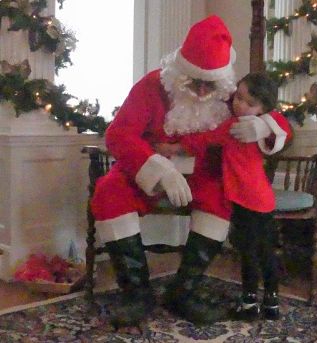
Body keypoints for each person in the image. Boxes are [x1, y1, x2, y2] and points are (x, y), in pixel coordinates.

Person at [90, 15, 290, 327]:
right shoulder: (152, 86)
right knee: (108, 192)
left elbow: (279, 123)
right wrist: (160, 171)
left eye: (208, 84)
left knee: (219, 200)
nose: (199, 89)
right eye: (192, 81)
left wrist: (262, 126)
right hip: (147, 166)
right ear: (178, 70)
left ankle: (183, 291)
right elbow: (118, 135)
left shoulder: (232, 96)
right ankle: (137, 292)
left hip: (203, 174)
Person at [160, 73, 291, 321]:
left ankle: (256, 301)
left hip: (249, 201)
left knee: (254, 253)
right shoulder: (237, 123)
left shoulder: (241, 127)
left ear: (263, 108)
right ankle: (264, 301)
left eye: (248, 103)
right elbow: (204, 140)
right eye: (238, 97)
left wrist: (174, 147)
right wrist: (176, 147)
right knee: (260, 252)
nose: (239, 104)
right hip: (254, 200)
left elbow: (203, 140)